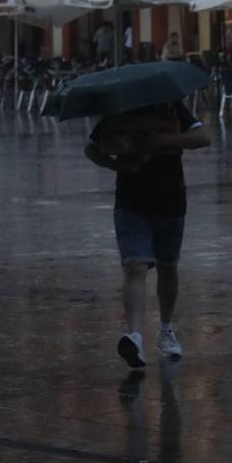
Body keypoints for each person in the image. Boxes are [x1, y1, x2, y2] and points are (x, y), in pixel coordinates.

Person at [84, 101, 210, 368]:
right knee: (135, 266)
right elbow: (91, 147)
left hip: (170, 200)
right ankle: (136, 336)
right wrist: (116, 166)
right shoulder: (118, 113)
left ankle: (165, 329)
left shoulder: (172, 106)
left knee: (168, 266)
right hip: (131, 202)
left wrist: (162, 140)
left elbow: (202, 137)